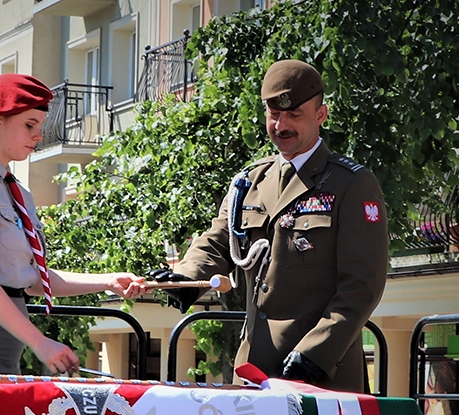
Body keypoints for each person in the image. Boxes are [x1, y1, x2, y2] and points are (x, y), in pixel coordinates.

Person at [150, 59, 389, 392]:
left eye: (294, 115)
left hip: (319, 374)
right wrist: (186, 279)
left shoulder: (351, 184)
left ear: (321, 115)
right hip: (253, 369)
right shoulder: (251, 181)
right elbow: (219, 240)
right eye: (273, 114)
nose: (281, 125)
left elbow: (363, 286)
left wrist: (315, 354)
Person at [0, 73, 146, 375]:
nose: (38, 135)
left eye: (39, 126)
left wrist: (107, 281)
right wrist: (39, 342)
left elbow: (28, 280)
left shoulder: (12, 188)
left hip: (0, 352)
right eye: (29, 125)